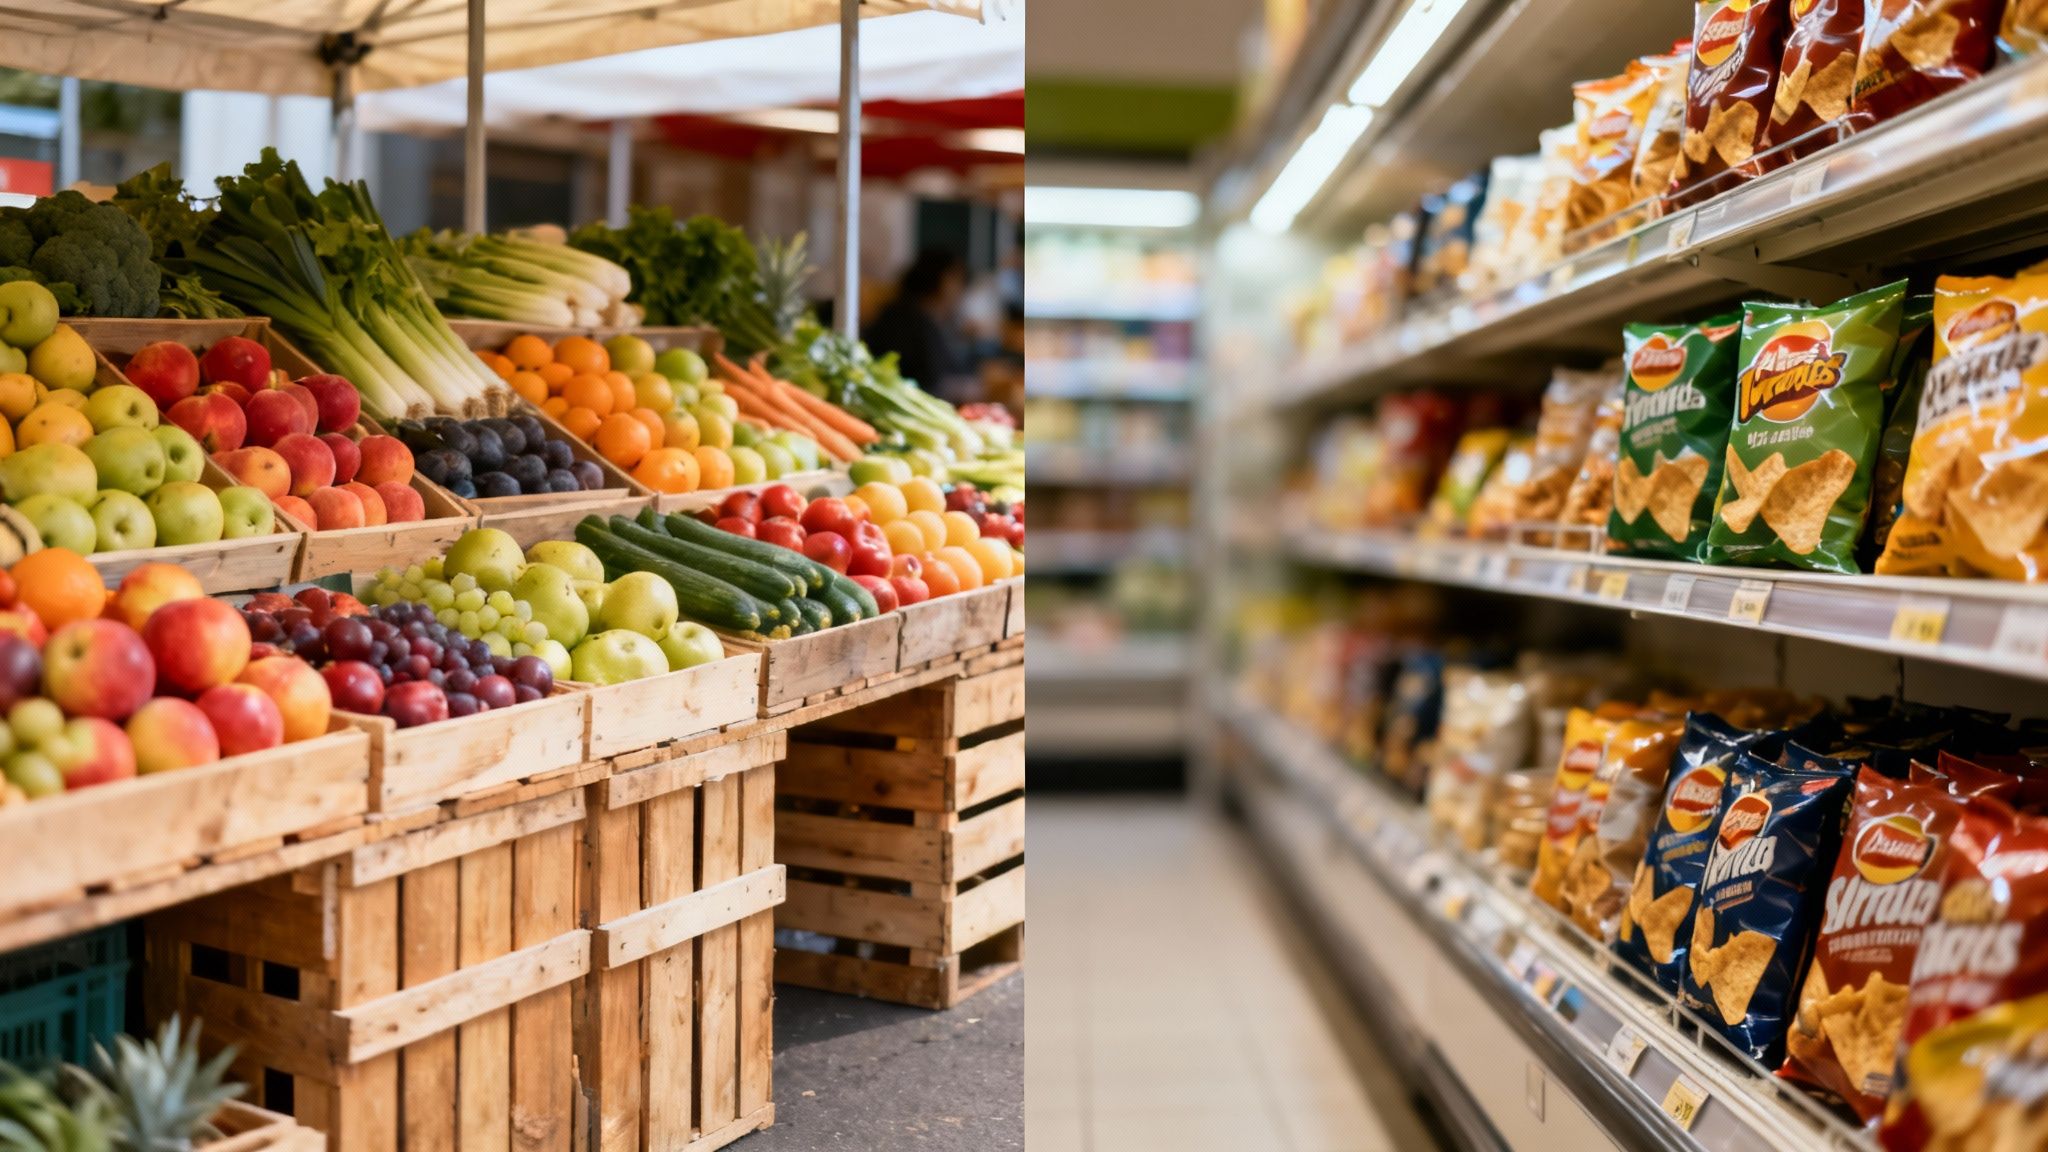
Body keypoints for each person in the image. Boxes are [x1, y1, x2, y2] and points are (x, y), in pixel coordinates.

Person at [865, 247, 975, 405]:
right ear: (944, 281)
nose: (961, 289)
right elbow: (930, 382)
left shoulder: (928, 318)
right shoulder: (905, 321)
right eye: (958, 279)